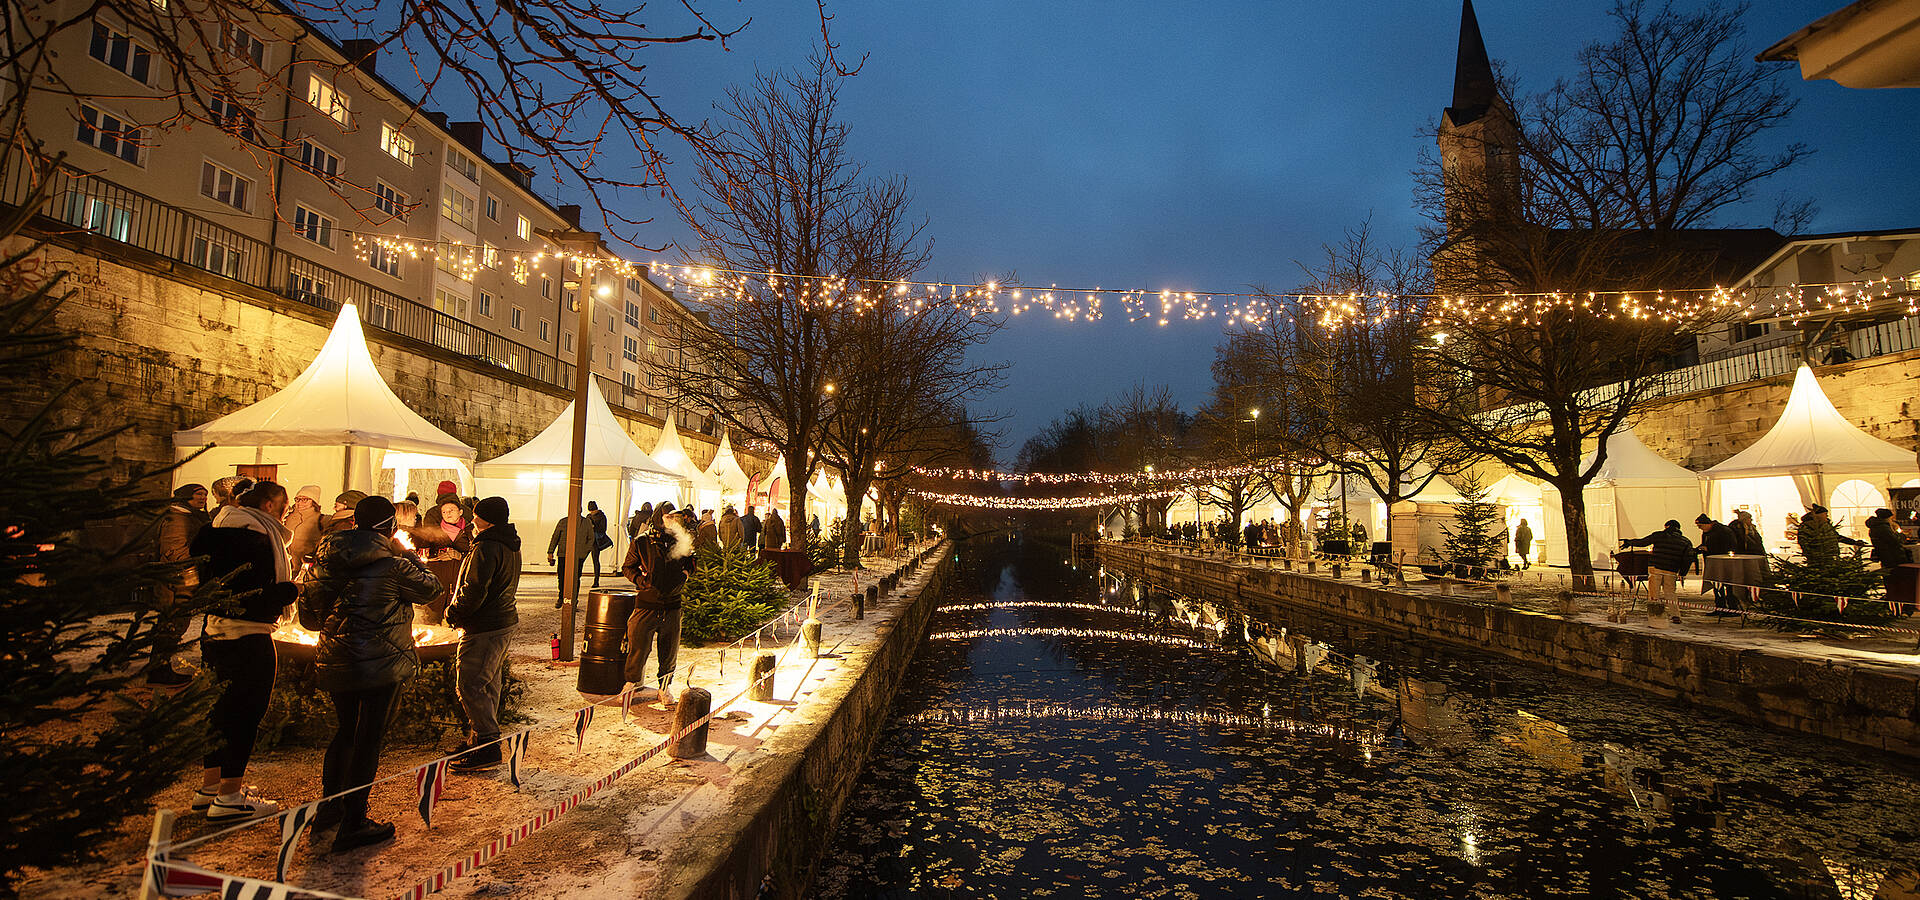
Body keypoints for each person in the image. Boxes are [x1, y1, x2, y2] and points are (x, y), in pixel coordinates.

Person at [301, 495, 441, 852]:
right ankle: (354, 820)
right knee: (369, 739)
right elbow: (431, 590)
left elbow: (308, 618)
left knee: (345, 732)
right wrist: (409, 555)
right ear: (390, 527)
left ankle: (330, 809)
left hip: (338, 660)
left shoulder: (325, 560)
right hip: (382, 664)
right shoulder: (394, 564)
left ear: (354, 523)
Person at [188, 480, 296, 821]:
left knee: (218, 711)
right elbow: (255, 596)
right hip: (248, 636)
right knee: (245, 713)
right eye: (283, 505)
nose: (287, 511)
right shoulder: (256, 539)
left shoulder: (214, 530)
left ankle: (211, 787)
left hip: (214, 633)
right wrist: (290, 591)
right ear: (266, 506)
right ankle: (230, 795)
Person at [447, 497, 521, 773]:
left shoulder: (487, 546)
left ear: (486, 519)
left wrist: (455, 613)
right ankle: (478, 741)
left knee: (471, 684)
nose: (473, 520)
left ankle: (488, 747)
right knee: (488, 683)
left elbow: (475, 588)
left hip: (485, 624)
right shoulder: (507, 542)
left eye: (476, 516)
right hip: (501, 621)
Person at [622, 506, 696, 705]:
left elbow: (691, 563)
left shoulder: (679, 540)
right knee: (638, 645)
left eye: (674, 516)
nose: (672, 520)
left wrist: (685, 575)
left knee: (669, 651)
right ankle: (631, 683)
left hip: (672, 605)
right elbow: (627, 567)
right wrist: (640, 580)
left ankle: (664, 688)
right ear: (658, 518)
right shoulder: (642, 542)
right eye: (667, 516)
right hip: (646, 604)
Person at [146, 483, 210, 686]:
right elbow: (175, 552)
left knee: (175, 624)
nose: (203, 498)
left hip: (180, 578)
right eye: (198, 494)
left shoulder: (188, 516)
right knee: (172, 624)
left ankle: (161, 670)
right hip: (177, 581)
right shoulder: (178, 519)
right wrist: (196, 566)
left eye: (205, 494)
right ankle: (159, 673)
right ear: (185, 497)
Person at [1621, 520, 1693, 608]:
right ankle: (1675, 615)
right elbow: (1688, 558)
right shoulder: (1685, 541)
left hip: (1656, 567)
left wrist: (1629, 542)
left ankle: (1654, 613)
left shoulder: (1659, 535)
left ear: (1667, 526)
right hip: (1671, 569)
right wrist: (1682, 573)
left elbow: (1643, 542)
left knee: (1654, 593)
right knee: (1670, 593)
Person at [547, 508, 595, 609]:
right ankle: (562, 597)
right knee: (562, 576)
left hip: (577, 555)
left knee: (575, 578)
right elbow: (555, 537)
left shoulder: (586, 522)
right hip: (564, 554)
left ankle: (573, 600)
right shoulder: (563, 521)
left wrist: (584, 552)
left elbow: (591, 538)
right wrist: (550, 551)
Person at [1694, 514, 1738, 614]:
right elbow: (1704, 545)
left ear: (1707, 524)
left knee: (1728, 586)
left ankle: (1733, 608)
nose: (1700, 529)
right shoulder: (1707, 533)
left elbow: (1729, 547)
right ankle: (1720, 607)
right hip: (1712, 563)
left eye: (1700, 526)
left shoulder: (1723, 531)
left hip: (1724, 563)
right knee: (1717, 586)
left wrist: (1709, 549)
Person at [1798, 504, 1863, 564]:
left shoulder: (1826, 526)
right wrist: (1812, 555)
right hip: (1816, 560)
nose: (1827, 515)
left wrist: (1854, 542)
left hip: (1831, 557)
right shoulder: (1806, 527)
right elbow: (1803, 542)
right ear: (1818, 515)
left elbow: (1837, 537)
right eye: (1825, 513)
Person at [283, 485, 325, 567]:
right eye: (297, 499)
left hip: (306, 569)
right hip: (285, 565)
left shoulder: (321, 520)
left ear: (313, 502)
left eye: (304, 500)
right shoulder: (287, 517)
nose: (300, 503)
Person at [586, 501, 610, 587]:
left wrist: (593, 527)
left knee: (595, 560)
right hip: (590, 541)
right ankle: (595, 581)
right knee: (593, 560)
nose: (592, 512)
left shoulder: (601, 517)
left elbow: (603, 529)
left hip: (595, 542)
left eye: (593, 510)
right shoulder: (589, 516)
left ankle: (596, 581)